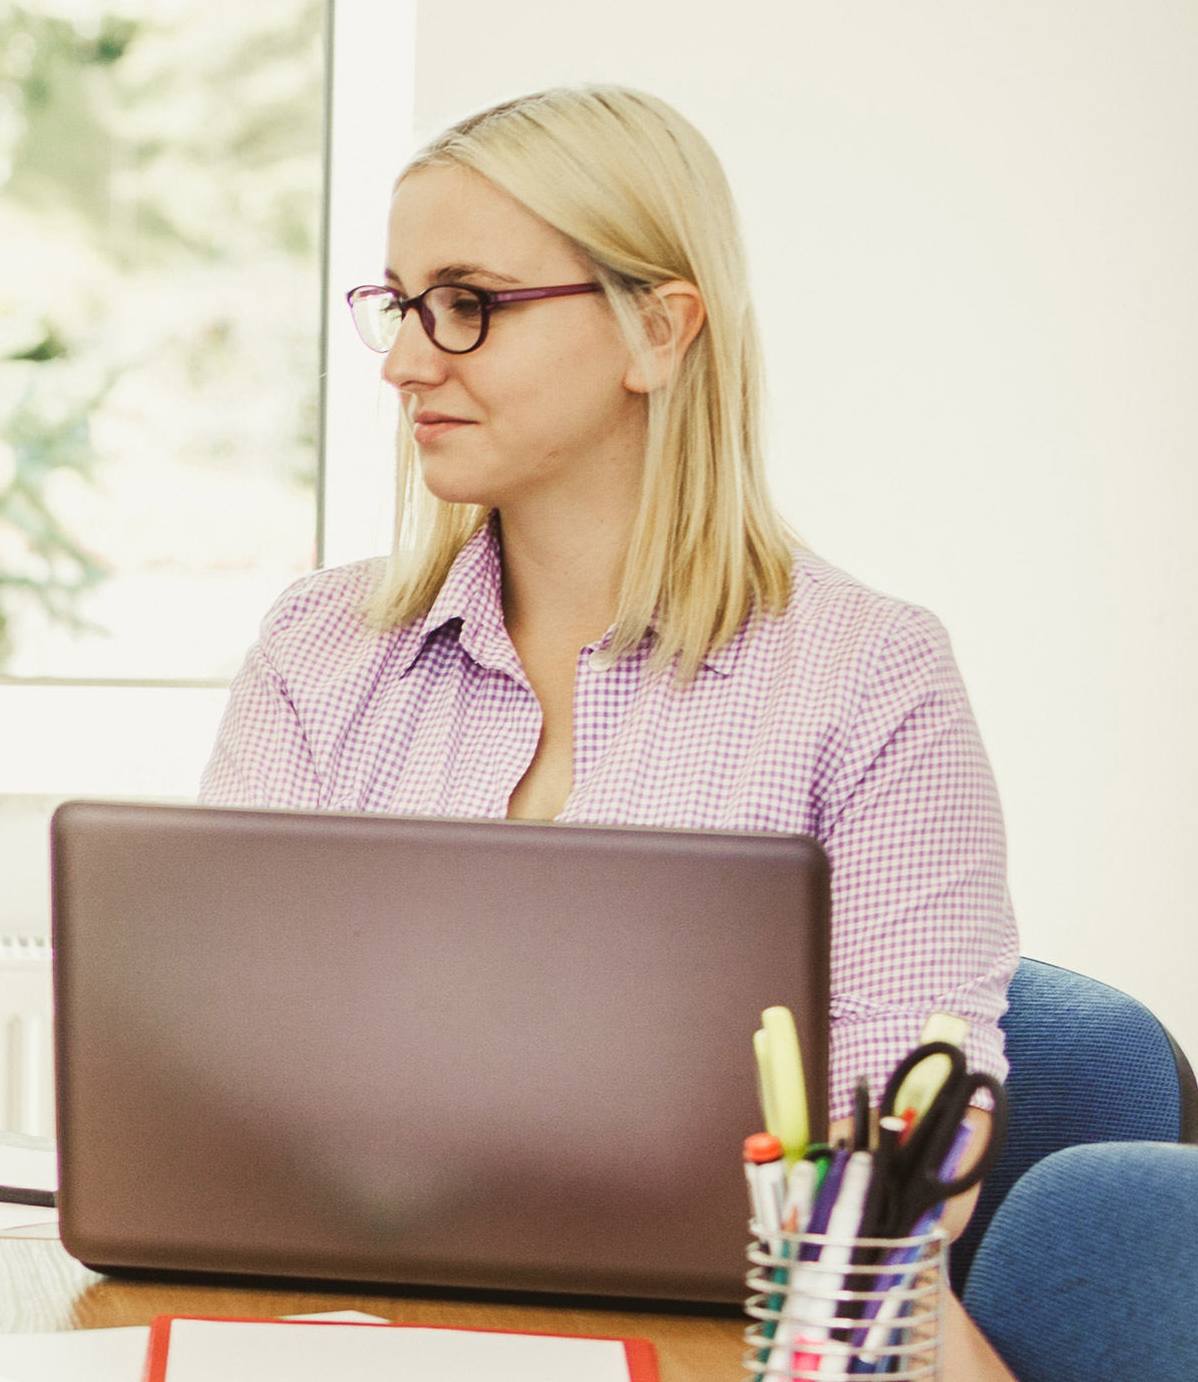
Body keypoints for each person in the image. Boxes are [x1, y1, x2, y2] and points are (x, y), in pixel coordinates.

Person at [201, 84, 1020, 1378]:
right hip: (375, 1330)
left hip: (748, 1343)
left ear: (659, 327)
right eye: (403, 306)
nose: (409, 360)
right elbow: (224, 1075)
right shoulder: (319, 650)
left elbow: (899, 1160)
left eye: (469, 303)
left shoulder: (873, 680)